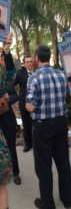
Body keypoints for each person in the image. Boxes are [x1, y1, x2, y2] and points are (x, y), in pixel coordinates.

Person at [26, 45, 71, 209]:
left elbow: (31, 106)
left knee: (43, 164)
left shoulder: (34, 78)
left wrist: (26, 105)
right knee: (63, 162)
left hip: (43, 126)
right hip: (61, 123)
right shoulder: (61, 75)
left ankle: (47, 202)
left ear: (37, 58)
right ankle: (68, 199)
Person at [0, 32, 17, 209]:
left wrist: (6, 51)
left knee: (1, 186)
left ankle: (16, 172)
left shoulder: (2, 70)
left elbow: (10, 75)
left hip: (4, 120)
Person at [14, 55, 34, 152]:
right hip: (24, 103)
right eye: (27, 62)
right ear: (24, 64)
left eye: (31, 61)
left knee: (37, 123)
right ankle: (28, 143)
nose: (29, 63)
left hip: (36, 103)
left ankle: (37, 142)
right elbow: (12, 84)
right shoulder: (20, 73)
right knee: (26, 124)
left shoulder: (37, 71)